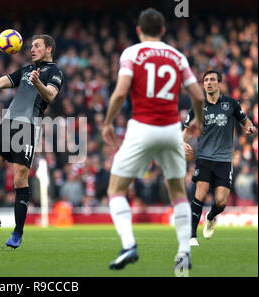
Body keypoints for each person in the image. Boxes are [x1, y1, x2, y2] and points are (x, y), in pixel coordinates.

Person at [101, 8, 205, 271]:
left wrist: (108, 122)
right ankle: (183, 253)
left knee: (116, 189)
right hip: (171, 130)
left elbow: (120, 93)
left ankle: (128, 245)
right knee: (178, 192)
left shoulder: (132, 53)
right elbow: (199, 96)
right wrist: (198, 120)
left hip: (142, 128)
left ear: (138, 30)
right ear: (162, 30)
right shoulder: (177, 56)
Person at [0, 34, 64, 248]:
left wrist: (38, 84)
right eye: (31, 46)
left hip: (28, 126)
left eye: (37, 46)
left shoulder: (55, 72)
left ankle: (17, 232)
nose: (32, 49)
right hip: (8, 123)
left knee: (19, 180)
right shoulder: (26, 70)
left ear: (49, 49)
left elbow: (50, 96)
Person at [183, 70, 257, 246]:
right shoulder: (198, 106)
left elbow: (244, 120)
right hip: (204, 157)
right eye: (206, 80)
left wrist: (250, 127)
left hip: (224, 159)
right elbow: (186, 130)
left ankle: (210, 216)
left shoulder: (231, 104)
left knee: (221, 202)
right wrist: (181, 143)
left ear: (219, 83)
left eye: (212, 80)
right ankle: (192, 236)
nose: (209, 83)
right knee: (200, 193)